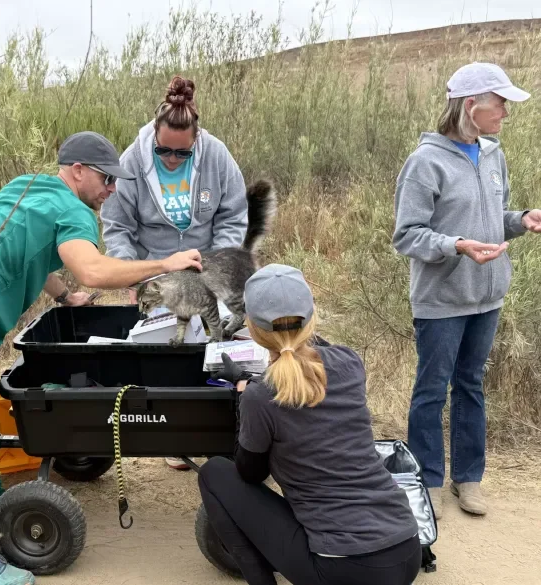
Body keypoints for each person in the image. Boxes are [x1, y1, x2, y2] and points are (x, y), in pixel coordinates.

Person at [0, 131, 202, 585]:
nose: (112, 190)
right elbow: (94, 269)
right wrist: (165, 263)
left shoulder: (27, 187)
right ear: (78, 171)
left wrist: (65, 296)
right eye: (107, 179)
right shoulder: (73, 211)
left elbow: (28, 250)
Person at [198, 264, 422, 585]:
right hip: (406, 550)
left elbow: (251, 473)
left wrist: (245, 394)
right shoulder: (350, 362)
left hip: (343, 569)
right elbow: (312, 363)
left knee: (214, 473)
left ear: (251, 328)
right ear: (312, 318)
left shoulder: (261, 396)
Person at [392, 62, 541, 519]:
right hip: (441, 300)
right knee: (432, 389)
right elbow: (407, 235)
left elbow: (491, 220)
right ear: (471, 106)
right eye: (500, 104)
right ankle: (427, 481)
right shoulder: (425, 162)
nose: (506, 114)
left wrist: (520, 221)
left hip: (486, 296)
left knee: (471, 385)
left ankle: (468, 480)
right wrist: (455, 246)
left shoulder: (493, 154)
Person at [100, 74, 248, 470]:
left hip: (206, 268)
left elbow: (234, 215)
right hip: (158, 275)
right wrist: (135, 275)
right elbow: (117, 226)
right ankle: (175, 436)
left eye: (182, 155)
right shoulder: (132, 160)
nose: (171, 160)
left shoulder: (217, 156)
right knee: (170, 353)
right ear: (153, 134)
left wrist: (217, 265)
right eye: (164, 151)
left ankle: (217, 433)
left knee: (217, 344)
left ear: (196, 141)